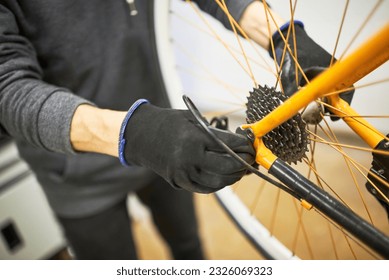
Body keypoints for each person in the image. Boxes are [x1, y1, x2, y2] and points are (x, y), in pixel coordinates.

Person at [0, 0, 349, 260]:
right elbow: (7, 86)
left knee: (189, 249)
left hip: (172, 136)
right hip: (76, 174)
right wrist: (136, 132)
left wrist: (282, 35)